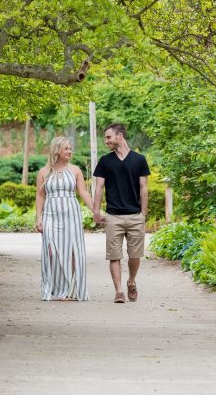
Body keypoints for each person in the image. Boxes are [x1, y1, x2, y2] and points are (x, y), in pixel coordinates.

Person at [92, 123, 150, 303]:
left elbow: (144, 189)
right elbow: (99, 188)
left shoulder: (139, 160)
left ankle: (131, 281)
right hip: (113, 216)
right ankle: (118, 292)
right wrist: (96, 211)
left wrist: (143, 214)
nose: (106, 141)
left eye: (109, 137)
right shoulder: (105, 161)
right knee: (114, 256)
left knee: (135, 255)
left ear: (120, 136)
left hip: (134, 216)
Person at [35, 136, 96, 301]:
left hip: (71, 214)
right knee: (51, 251)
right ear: (57, 150)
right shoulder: (43, 172)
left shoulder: (75, 170)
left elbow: (83, 191)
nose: (70, 151)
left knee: (74, 252)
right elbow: (40, 196)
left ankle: (69, 290)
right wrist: (38, 218)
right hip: (50, 214)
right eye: (66, 149)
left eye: (70, 148)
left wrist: (95, 211)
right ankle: (53, 287)